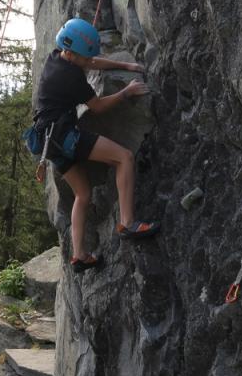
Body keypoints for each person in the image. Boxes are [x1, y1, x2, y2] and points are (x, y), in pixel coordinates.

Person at [30, 18, 159, 273]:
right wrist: (126, 92)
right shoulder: (69, 77)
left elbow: (91, 62)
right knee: (124, 158)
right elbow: (98, 107)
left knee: (83, 194)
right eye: (85, 56)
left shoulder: (58, 56)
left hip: (48, 141)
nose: (89, 60)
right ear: (73, 53)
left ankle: (79, 255)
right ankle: (128, 223)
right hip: (65, 137)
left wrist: (124, 65)